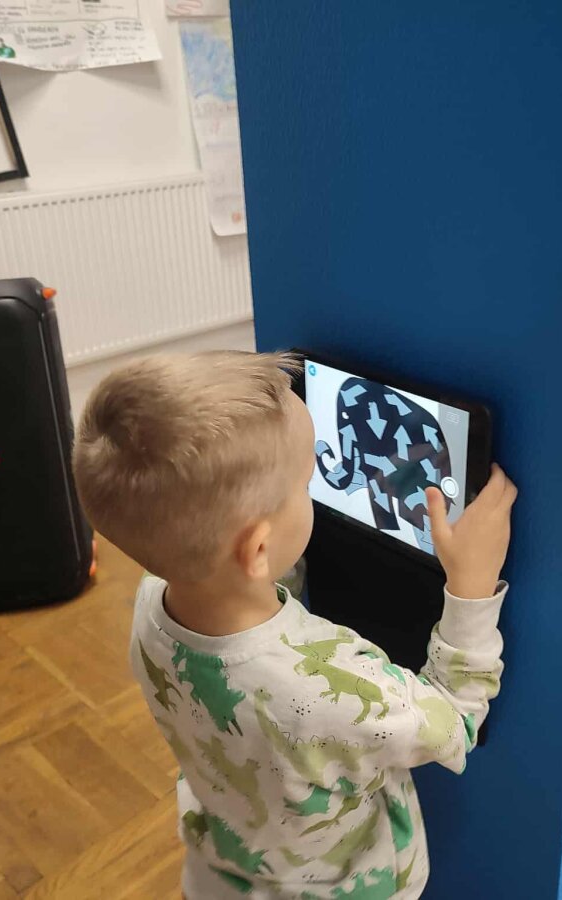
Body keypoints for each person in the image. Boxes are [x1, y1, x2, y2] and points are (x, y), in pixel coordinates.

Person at [73, 351, 516, 898]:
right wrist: (471, 586)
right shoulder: (330, 685)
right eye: (306, 482)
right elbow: (455, 721)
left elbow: (244, 573)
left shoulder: (150, 603)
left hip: (219, 879)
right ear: (258, 549)